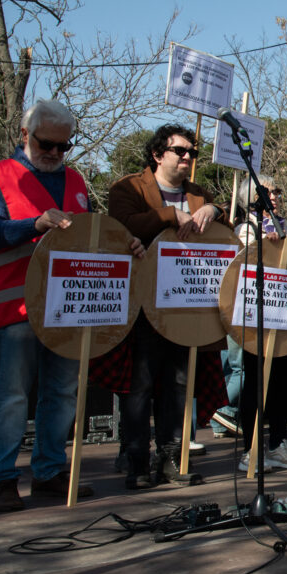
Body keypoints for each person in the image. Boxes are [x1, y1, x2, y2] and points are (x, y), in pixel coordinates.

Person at [0, 99, 142, 511]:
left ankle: (49, 472)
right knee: (12, 396)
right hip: (16, 308)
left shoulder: (76, 181)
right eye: (46, 144)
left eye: (62, 147)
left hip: (70, 306)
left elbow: (89, 238)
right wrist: (35, 224)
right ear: (24, 136)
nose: (53, 154)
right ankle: (1, 479)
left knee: (63, 392)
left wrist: (126, 245)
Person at [109, 123, 227, 488]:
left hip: (186, 305)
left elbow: (223, 237)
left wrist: (214, 209)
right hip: (143, 305)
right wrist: (168, 215)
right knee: (140, 384)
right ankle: (136, 462)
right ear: (158, 154)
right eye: (181, 151)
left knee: (178, 385)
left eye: (193, 152)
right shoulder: (128, 188)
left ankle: (172, 458)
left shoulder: (197, 193)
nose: (189, 157)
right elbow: (119, 227)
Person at [229, 173, 287, 472]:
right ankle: (251, 448)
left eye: (275, 191)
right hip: (255, 313)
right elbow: (244, 261)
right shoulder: (245, 229)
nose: (273, 197)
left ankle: (278, 443)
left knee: (283, 380)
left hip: (284, 314)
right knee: (256, 381)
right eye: (265, 193)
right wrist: (266, 245)